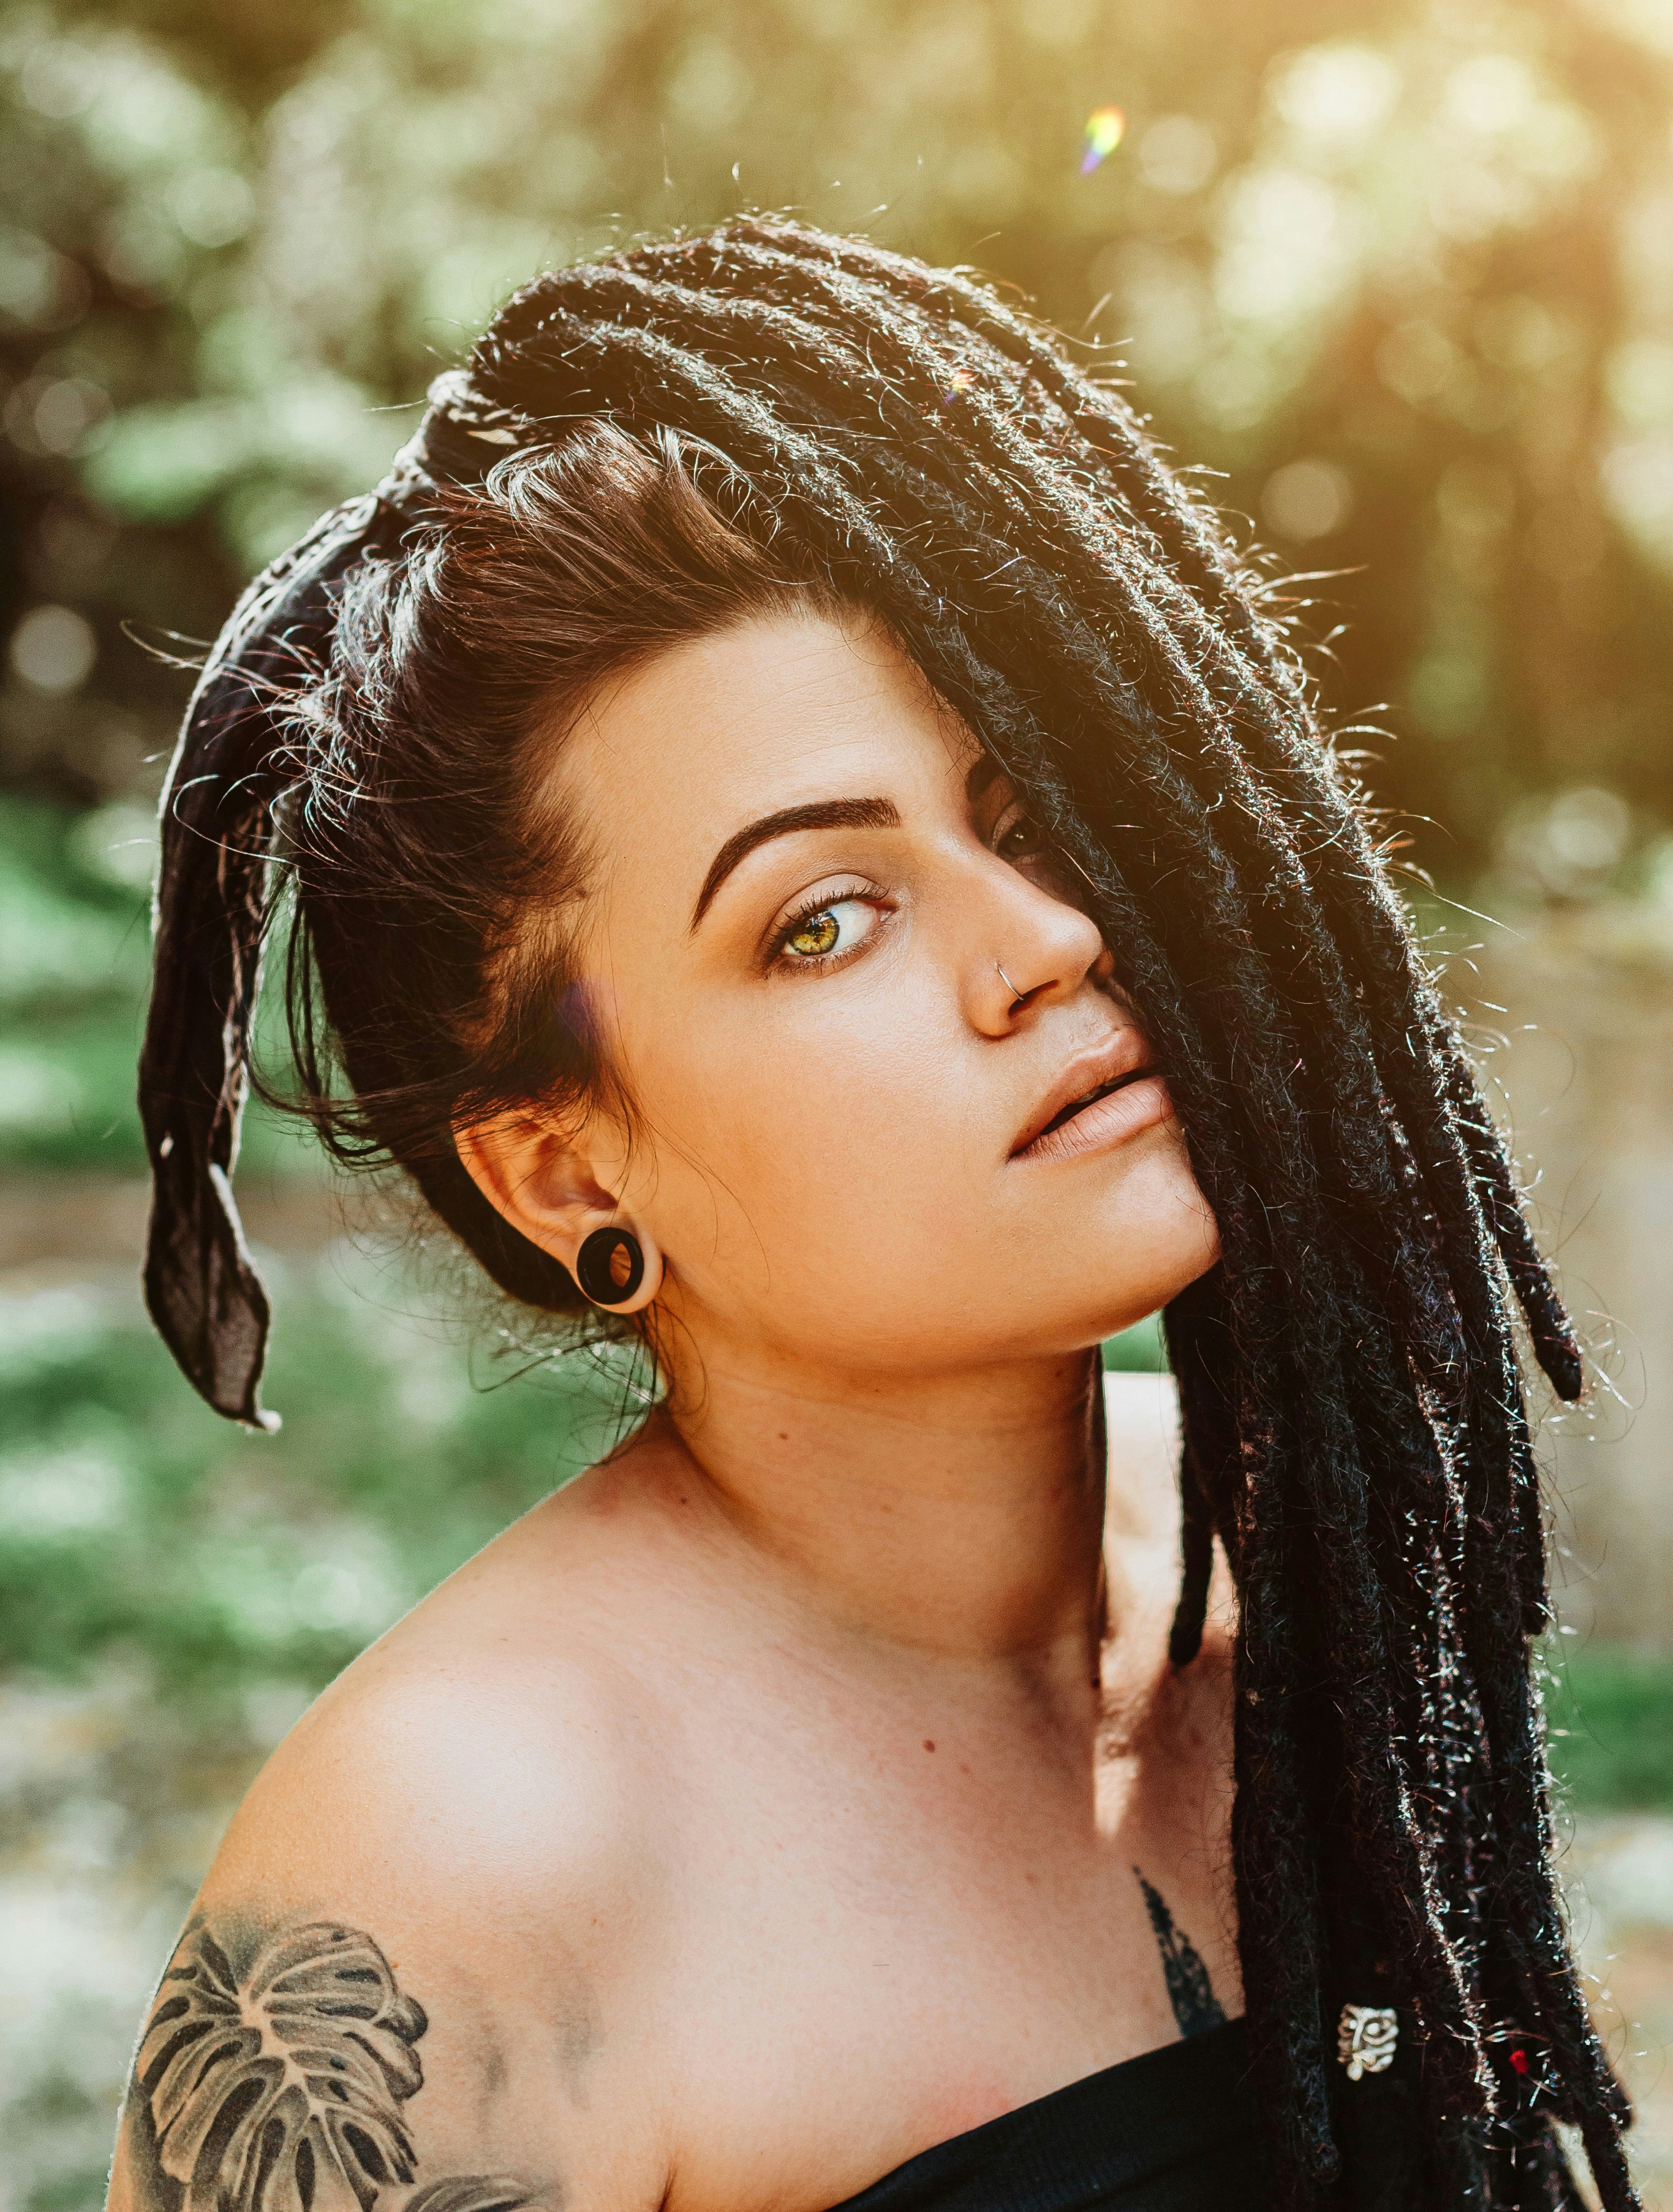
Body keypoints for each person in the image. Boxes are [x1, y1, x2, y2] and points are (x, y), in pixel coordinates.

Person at [111, 221, 1632, 2212]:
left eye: (1018, 820)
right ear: (566, 1167)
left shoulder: (1306, 1569)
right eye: (819, 922)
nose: (1047, 942)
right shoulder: (456, 1868)